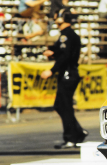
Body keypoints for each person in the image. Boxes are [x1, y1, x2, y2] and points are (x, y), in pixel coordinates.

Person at [40, 8, 88, 149]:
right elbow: (62, 52)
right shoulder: (68, 35)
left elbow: (66, 56)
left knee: (64, 106)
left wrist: (51, 70)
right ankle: (77, 132)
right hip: (69, 73)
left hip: (68, 74)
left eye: (56, 17)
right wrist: (53, 53)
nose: (54, 20)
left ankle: (72, 137)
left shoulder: (66, 36)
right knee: (61, 105)